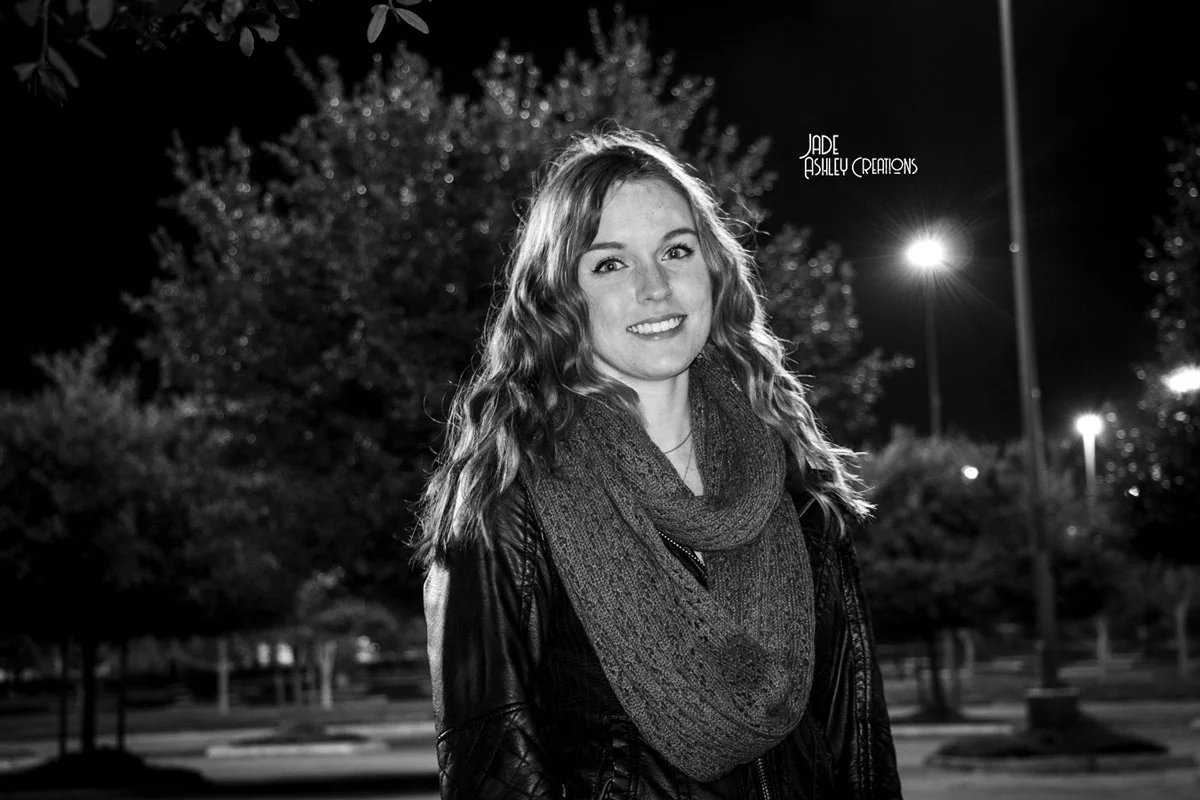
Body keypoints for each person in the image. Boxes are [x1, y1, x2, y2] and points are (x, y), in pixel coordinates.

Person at [413, 127, 903, 799]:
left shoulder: (794, 483)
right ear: (561, 298)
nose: (655, 287)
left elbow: (859, 745)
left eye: (676, 251)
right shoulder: (504, 502)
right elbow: (494, 770)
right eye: (609, 263)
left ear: (714, 273)